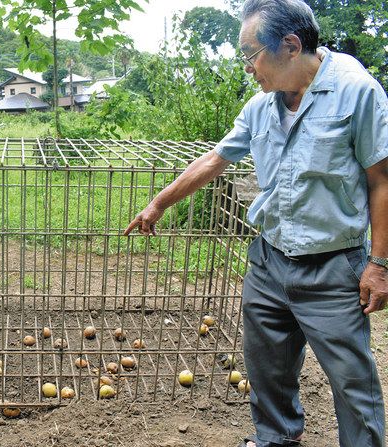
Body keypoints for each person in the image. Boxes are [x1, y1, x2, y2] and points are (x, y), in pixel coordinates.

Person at [124, 0, 387, 446]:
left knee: (350, 379)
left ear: (289, 45)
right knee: (267, 363)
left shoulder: (356, 91)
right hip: (268, 259)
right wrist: (158, 204)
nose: (248, 68)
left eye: (251, 53)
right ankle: (277, 437)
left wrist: (380, 263)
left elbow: (382, 181)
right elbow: (215, 159)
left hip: (332, 266)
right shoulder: (261, 106)